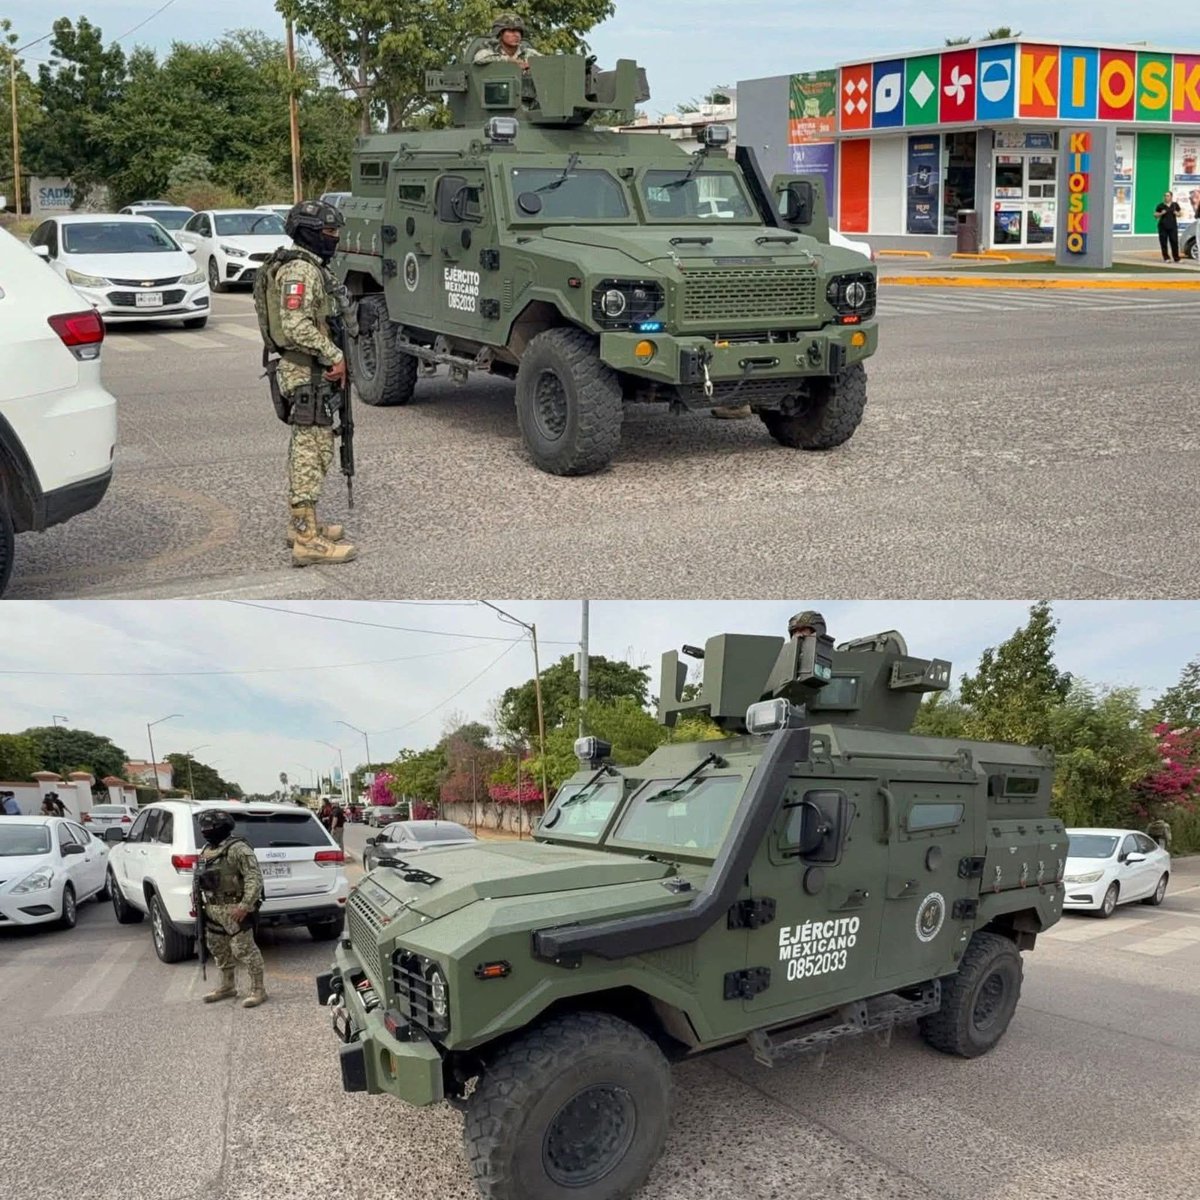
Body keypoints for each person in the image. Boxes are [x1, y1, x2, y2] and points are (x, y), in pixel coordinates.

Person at [255, 199, 359, 567]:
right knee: (310, 453)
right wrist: (334, 355)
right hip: (306, 373)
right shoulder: (300, 270)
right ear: (309, 233)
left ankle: (302, 524)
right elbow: (296, 325)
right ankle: (306, 539)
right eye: (329, 231)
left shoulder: (309, 266)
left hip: (310, 372)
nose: (334, 238)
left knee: (311, 448)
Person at [194, 809, 268, 1008]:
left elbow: (254, 879)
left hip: (234, 909)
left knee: (244, 949)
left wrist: (245, 905)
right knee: (218, 947)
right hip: (212, 908)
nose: (205, 831)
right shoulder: (206, 850)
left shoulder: (238, 849)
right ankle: (227, 986)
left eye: (209, 827)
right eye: (203, 827)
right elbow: (200, 877)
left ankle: (258, 989)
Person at [474, 13, 542, 70]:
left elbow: (546, 62)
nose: (516, 35)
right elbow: (479, 58)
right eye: (511, 31)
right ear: (500, 33)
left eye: (518, 31)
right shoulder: (493, 50)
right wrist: (508, 60)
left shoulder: (528, 53)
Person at [1155, 192, 1182, 263]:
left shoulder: (1175, 205)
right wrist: (1161, 213)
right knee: (1163, 243)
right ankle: (1166, 258)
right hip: (1163, 227)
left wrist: (1177, 213)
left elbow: (1180, 214)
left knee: (1174, 242)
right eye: (1165, 196)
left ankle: (1176, 258)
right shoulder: (1161, 205)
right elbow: (1155, 215)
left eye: (1167, 196)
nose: (1166, 197)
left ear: (1171, 197)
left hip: (1173, 227)